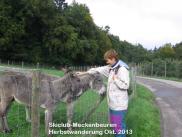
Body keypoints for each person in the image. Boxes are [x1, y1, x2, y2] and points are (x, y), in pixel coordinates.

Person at [79, 49, 129, 137]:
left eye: (108, 60)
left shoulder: (122, 69)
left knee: (118, 128)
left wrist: (115, 79)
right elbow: (98, 69)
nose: (107, 62)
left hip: (119, 105)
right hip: (113, 104)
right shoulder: (111, 68)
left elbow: (125, 85)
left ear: (113, 58)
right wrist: (84, 73)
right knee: (115, 127)